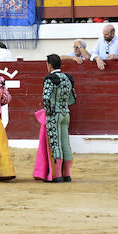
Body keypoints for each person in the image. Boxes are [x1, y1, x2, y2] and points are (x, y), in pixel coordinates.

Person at [40, 53, 77, 183]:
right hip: (65, 113)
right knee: (65, 143)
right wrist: (63, 106)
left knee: (56, 144)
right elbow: (73, 98)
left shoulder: (50, 79)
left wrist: (49, 112)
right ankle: (67, 174)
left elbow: (46, 98)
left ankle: (57, 175)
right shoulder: (68, 78)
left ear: (49, 65)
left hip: (54, 115)